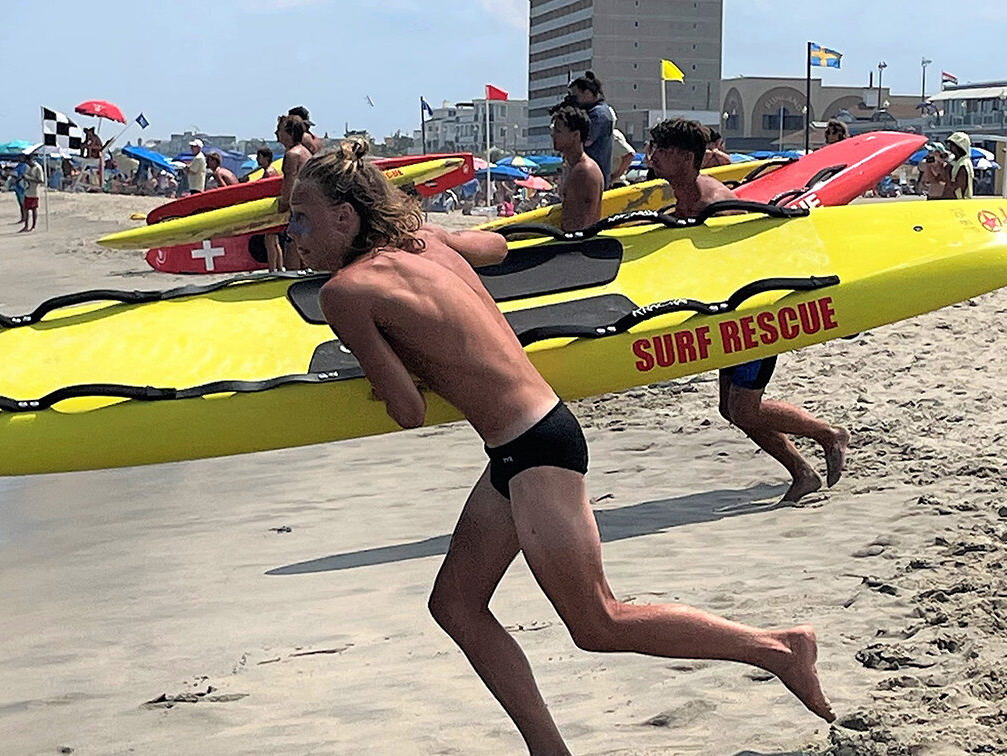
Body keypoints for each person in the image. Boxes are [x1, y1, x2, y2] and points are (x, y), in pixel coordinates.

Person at [288, 138, 835, 754]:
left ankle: (779, 647)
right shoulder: (426, 243)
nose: (292, 235)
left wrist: (374, 375)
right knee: (456, 605)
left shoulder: (344, 293)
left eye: (301, 217)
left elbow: (408, 412)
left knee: (597, 621)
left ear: (344, 216)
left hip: (534, 447)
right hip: (525, 444)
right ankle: (548, 749)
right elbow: (493, 246)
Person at [648, 118, 850, 502]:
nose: (653, 155)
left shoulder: (715, 206)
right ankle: (802, 473)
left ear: (687, 158)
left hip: (751, 312)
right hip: (728, 313)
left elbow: (748, 263)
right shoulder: (684, 198)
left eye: (663, 149)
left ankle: (828, 434)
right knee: (731, 408)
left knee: (743, 408)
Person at [549, 104, 603, 233]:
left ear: (576, 135)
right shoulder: (575, 167)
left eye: (558, 131)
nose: (553, 135)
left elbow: (577, 224)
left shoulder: (583, 171)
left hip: (577, 247)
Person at [275, 113, 313, 269]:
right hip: (310, 207)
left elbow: (289, 182)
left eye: (280, 130)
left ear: (289, 133)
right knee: (305, 247)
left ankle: (291, 283)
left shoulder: (292, 155)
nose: (277, 134)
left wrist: (283, 204)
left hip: (299, 209)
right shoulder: (305, 152)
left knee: (292, 245)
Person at [568, 72, 614, 190]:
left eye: (575, 96)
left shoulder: (598, 115)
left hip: (592, 176)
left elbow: (586, 140)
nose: (574, 100)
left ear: (587, 93)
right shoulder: (592, 112)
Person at [936, 131, 974, 199]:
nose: (951, 148)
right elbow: (940, 179)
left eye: (953, 146)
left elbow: (959, 187)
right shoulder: (953, 162)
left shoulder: (964, 164)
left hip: (958, 201)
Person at [20, 154, 44, 232]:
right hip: (27, 190)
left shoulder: (38, 168)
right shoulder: (27, 167)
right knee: (25, 209)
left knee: (34, 209)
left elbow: (41, 180)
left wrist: (29, 178)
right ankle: (26, 226)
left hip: (34, 191)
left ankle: (33, 226)